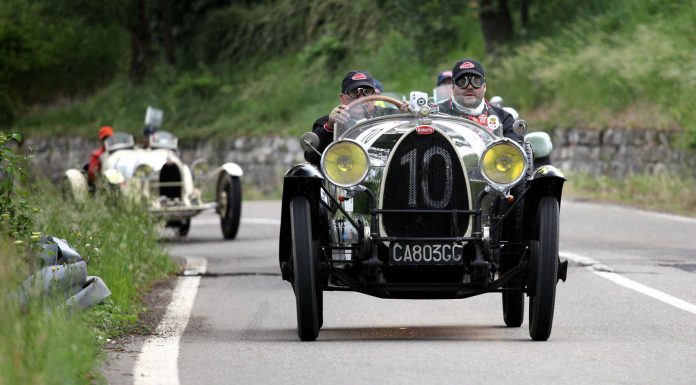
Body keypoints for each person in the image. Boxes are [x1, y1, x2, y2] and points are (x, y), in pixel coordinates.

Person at [305, 71, 405, 164]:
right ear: (342, 98)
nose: (361, 98)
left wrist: (410, 111)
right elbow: (311, 157)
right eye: (354, 92)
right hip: (347, 177)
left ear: (374, 95)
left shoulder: (391, 115)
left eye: (367, 92)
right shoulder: (329, 122)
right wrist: (330, 126)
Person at [437, 59, 522, 142]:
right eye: (463, 82)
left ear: (484, 86)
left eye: (476, 81)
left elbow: (515, 152)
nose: (470, 87)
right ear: (453, 87)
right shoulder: (436, 114)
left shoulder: (503, 118)